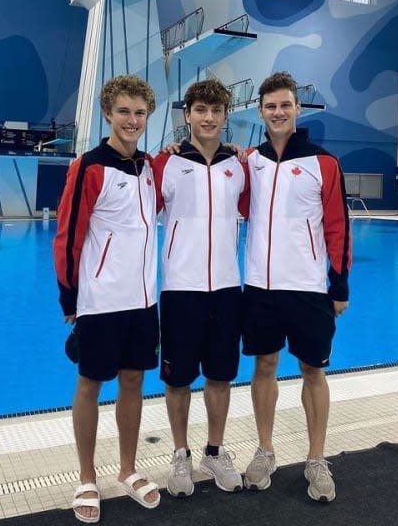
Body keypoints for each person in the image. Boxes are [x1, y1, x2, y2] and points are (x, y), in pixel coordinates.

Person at [53, 74, 161, 523]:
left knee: (134, 381)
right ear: (107, 113)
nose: (132, 120)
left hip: (143, 300)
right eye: (124, 112)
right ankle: (86, 475)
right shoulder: (89, 166)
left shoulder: (151, 167)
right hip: (100, 300)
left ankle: (129, 469)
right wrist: (70, 296)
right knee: (91, 383)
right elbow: (67, 234)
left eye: (139, 113)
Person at [242, 71, 351, 502]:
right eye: (270, 106)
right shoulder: (250, 161)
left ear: (296, 108)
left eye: (285, 105)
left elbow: (338, 227)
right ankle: (266, 450)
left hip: (307, 287)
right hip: (260, 287)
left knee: (313, 370)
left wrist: (338, 285)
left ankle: (316, 459)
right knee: (264, 366)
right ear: (260, 111)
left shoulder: (323, 163)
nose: (278, 112)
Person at [151, 79, 249, 498]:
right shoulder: (165, 164)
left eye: (216, 111)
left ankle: (214, 450)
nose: (208, 118)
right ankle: (179, 454)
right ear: (187, 114)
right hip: (180, 289)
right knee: (178, 380)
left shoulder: (238, 165)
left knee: (221, 376)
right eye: (200, 110)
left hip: (227, 288)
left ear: (226, 116)